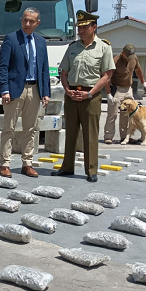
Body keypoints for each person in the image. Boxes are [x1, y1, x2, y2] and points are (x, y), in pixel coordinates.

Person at [52, 10, 115, 182]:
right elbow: (63, 72)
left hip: (91, 96)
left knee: (90, 134)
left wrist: (90, 93)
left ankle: (91, 170)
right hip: (72, 94)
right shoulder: (72, 47)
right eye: (79, 27)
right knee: (70, 132)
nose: (80, 30)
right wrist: (67, 90)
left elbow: (107, 76)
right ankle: (67, 167)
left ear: (94, 27)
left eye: (85, 27)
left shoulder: (104, 47)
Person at [0, 8, 50, 178]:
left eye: (31, 21)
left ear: (37, 23)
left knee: (31, 128)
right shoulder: (11, 39)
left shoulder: (41, 42)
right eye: (25, 20)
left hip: (35, 89)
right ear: (21, 20)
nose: (27, 24)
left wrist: (45, 92)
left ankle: (27, 163)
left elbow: (44, 69)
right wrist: (4, 89)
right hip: (14, 90)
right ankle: (5, 164)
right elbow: (3, 66)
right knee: (8, 128)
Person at [104, 43, 146, 144]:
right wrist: (108, 94)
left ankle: (124, 137)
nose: (130, 58)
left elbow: (138, 70)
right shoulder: (115, 61)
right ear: (123, 53)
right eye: (128, 56)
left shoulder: (134, 58)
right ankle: (108, 136)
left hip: (128, 89)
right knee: (113, 114)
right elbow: (107, 78)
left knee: (127, 115)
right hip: (117, 89)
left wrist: (143, 82)